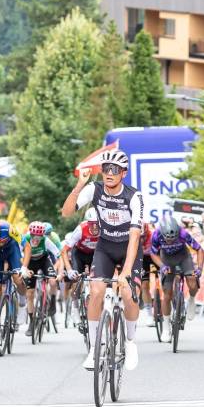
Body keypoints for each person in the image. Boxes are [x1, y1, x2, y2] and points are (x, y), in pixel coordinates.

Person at [61, 149, 143, 371]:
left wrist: (126, 273)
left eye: (114, 170)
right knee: (96, 291)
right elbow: (66, 212)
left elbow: (135, 237)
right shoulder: (94, 189)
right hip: (105, 247)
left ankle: (130, 342)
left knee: (128, 293)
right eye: (106, 168)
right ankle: (95, 349)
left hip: (129, 249)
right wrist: (79, 185)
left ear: (123, 173)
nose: (109, 173)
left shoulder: (134, 197)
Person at [148, 212, 204, 342]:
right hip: (166, 259)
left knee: (192, 280)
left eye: (172, 238)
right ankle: (166, 328)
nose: (170, 240)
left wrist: (200, 268)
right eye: (167, 238)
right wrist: (162, 266)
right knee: (167, 294)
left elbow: (199, 249)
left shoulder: (183, 233)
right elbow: (153, 253)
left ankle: (191, 299)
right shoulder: (156, 235)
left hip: (183, 257)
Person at [19, 221, 60, 337]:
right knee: (30, 294)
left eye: (39, 237)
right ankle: (31, 323)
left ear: (42, 235)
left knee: (52, 281)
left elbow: (58, 255)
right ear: (30, 234)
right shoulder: (25, 238)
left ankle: (52, 302)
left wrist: (57, 269)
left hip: (43, 261)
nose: (36, 239)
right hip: (30, 262)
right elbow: (18, 255)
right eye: (34, 236)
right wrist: (25, 269)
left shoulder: (45, 241)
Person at [61, 209, 100, 324]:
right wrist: (69, 270)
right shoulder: (80, 229)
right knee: (76, 279)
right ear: (87, 223)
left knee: (97, 279)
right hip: (79, 254)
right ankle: (75, 308)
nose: (94, 227)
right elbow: (64, 251)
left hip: (95, 254)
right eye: (91, 224)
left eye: (97, 224)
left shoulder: (104, 229)